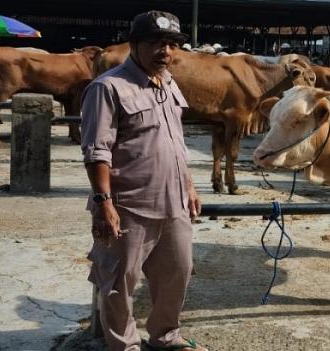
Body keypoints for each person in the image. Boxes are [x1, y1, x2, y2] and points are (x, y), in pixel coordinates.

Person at [80, 10, 207, 351]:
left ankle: (166, 336)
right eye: (155, 42)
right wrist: (103, 203)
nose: (165, 51)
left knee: (177, 273)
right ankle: (126, 345)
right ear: (134, 44)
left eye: (171, 44)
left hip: (174, 202)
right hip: (128, 205)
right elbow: (96, 152)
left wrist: (190, 185)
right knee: (119, 283)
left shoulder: (168, 83)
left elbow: (175, 142)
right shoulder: (108, 87)